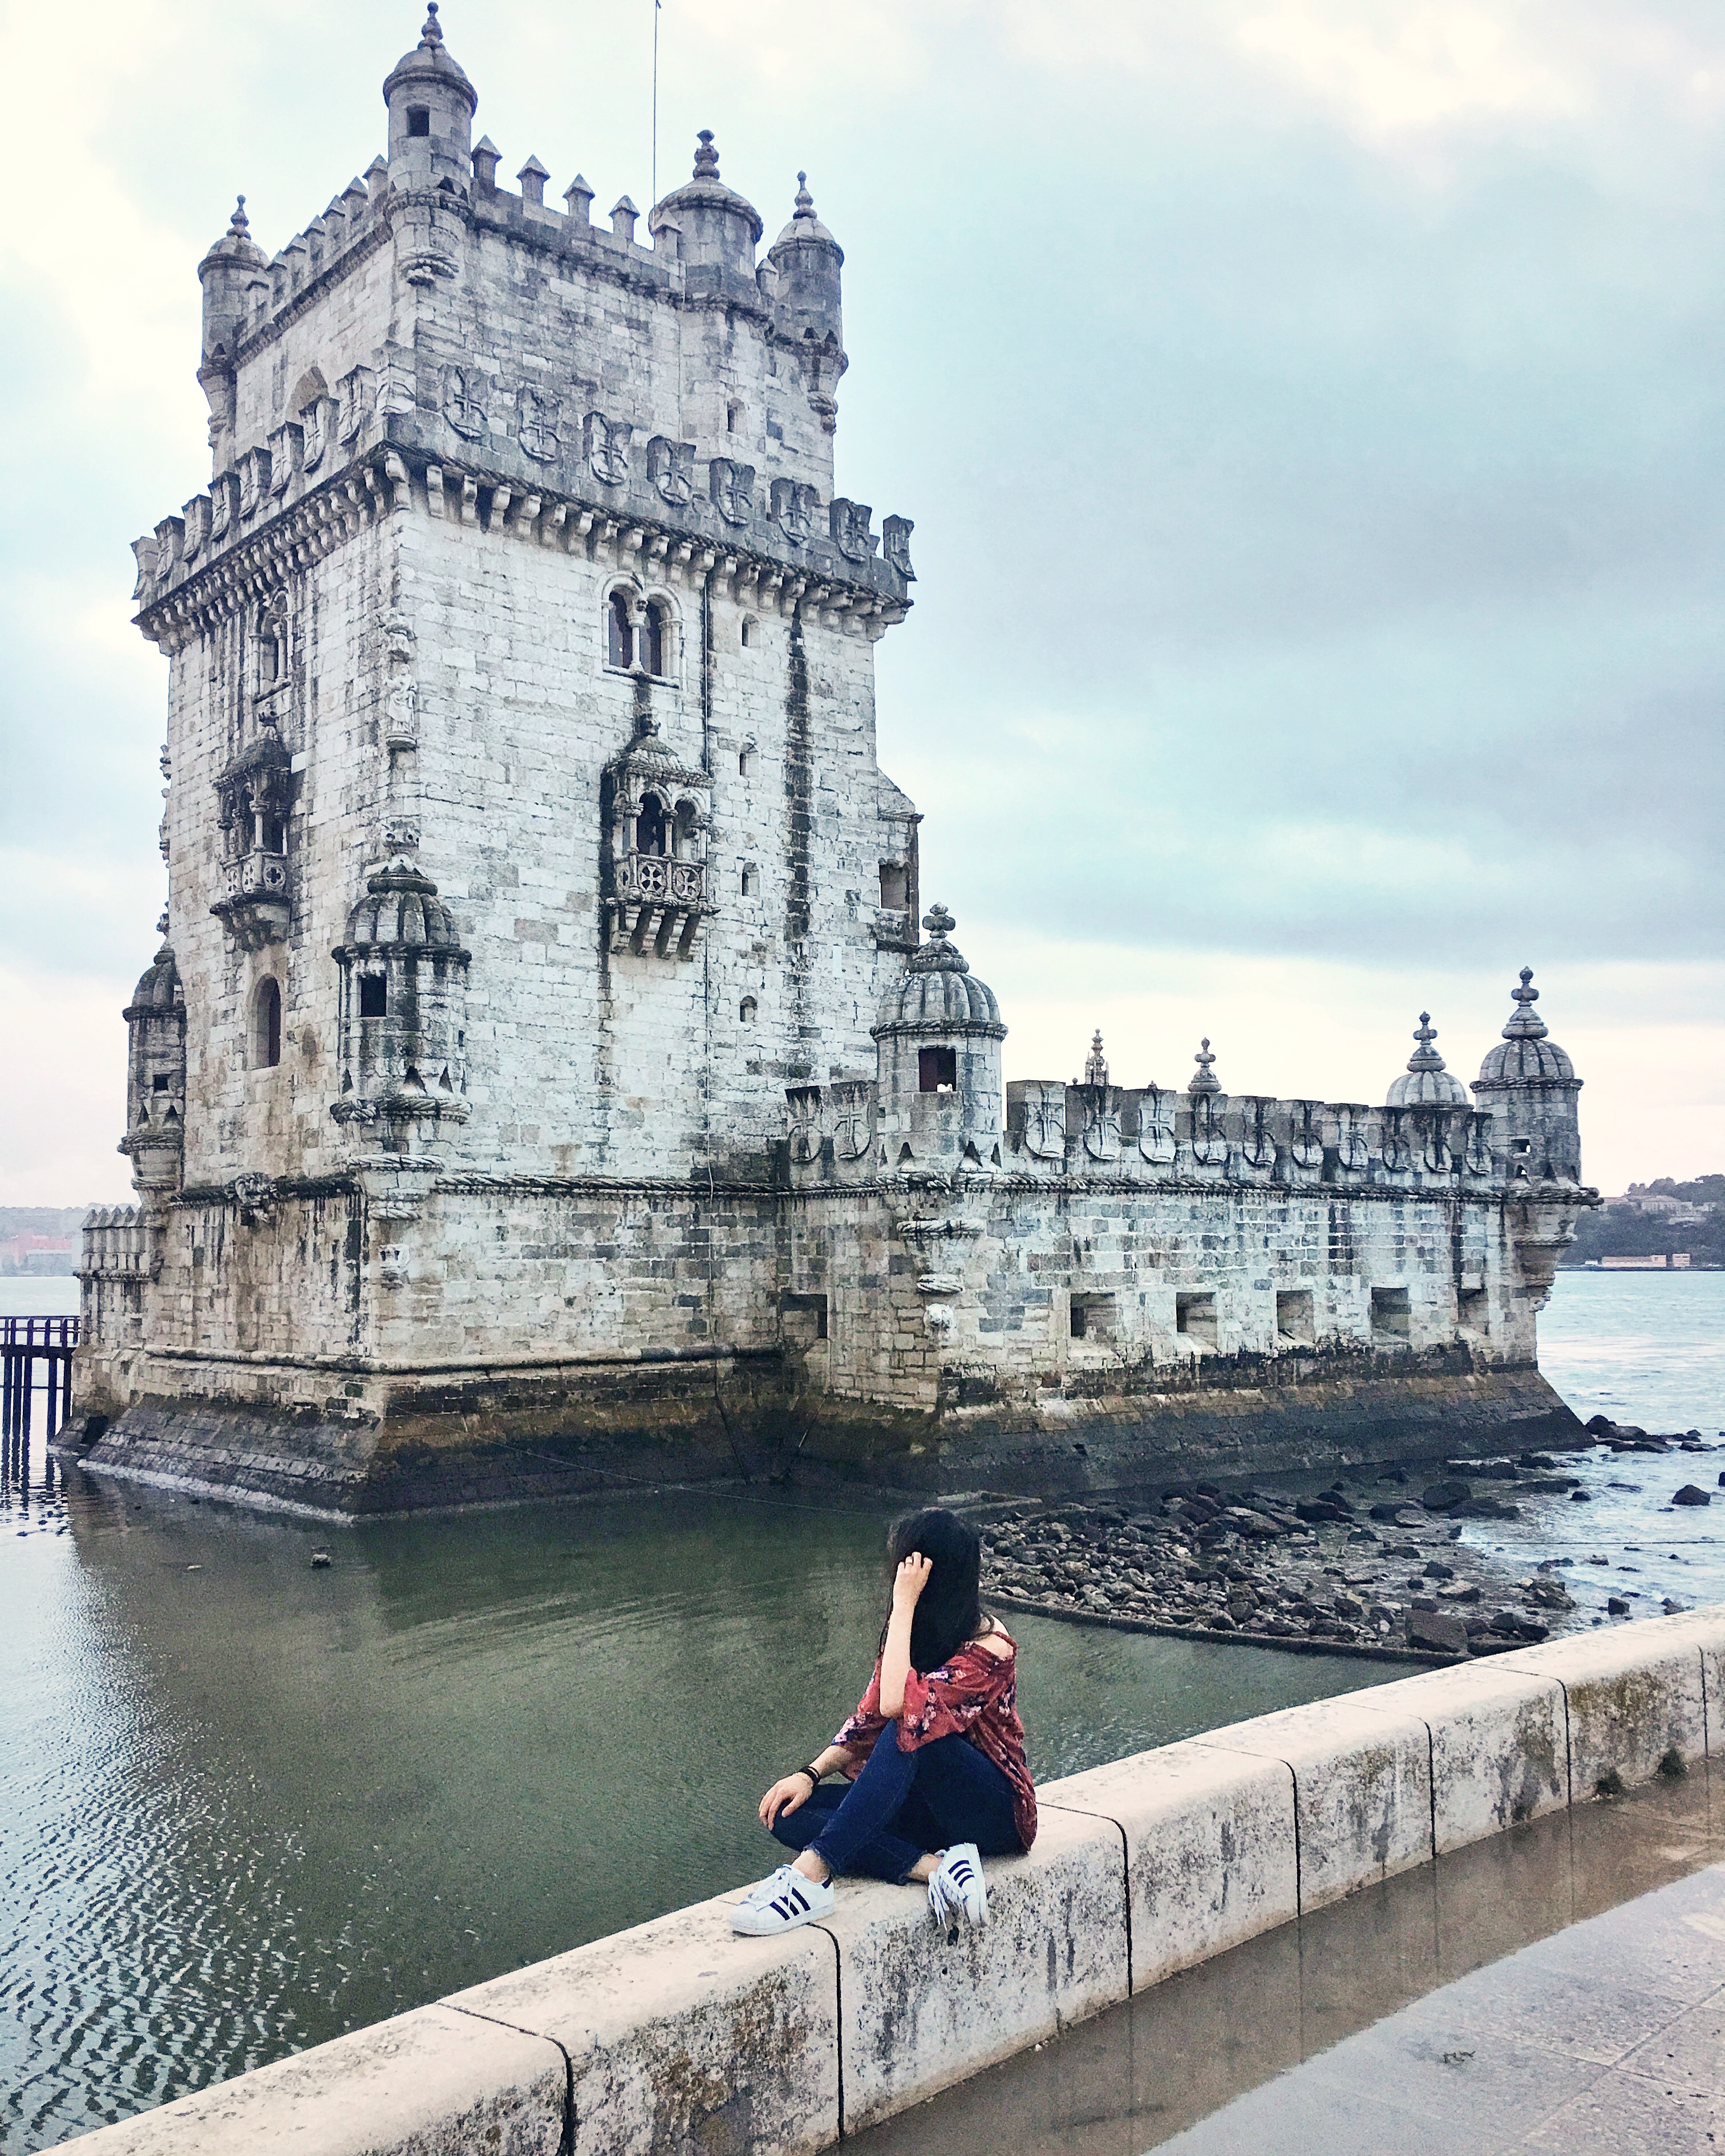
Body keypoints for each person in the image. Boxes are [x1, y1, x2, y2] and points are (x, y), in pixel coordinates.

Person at [730, 1508, 1036, 1936]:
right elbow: (868, 1720)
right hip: (926, 1811)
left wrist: (904, 1605)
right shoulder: (915, 1636)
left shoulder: (991, 1648)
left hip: (991, 1813)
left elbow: (897, 1709)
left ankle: (811, 1876)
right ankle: (934, 1867)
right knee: (788, 1813)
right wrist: (810, 1773)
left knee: (912, 1729)